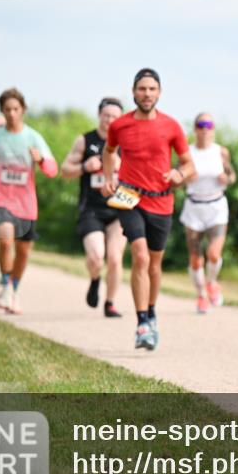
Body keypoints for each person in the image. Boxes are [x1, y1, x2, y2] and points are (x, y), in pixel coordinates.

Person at [102, 68, 193, 351]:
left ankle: (151, 312)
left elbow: (189, 164)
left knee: (154, 264)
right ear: (133, 92)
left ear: (159, 93)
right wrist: (108, 176)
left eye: (152, 89)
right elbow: (108, 151)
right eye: (142, 89)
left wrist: (179, 174)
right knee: (139, 256)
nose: (147, 94)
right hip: (129, 197)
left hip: (161, 201)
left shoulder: (171, 126)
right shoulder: (120, 126)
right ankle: (142, 322)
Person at [0, 88, 58, 314]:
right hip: (1, 199)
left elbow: (52, 170)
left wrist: (41, 160)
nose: (12, 113)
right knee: (5, 240)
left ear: (23, 110)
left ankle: (12, 289)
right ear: (2, 111)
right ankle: (6, 282)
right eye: (7, 110)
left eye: (16, 109)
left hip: (26, 204)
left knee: (23, 252)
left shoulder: (33, 137)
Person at [60, 97, 127, 318]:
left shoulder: (126, 143)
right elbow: (65, 170)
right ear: (99, 115)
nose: (110, 120)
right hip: (92, 210)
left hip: (119, 208)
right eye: (106, 115)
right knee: (97, 256)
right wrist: (84, 167)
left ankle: (110, 303)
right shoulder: (85, 141)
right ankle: (95, 278)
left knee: (115, 258)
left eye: (114, 116)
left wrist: (121, 169)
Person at [180, 112, 235, 313]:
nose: (205, 129)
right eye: (201, 125)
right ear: (195, 129)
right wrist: (186, 178)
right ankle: (201, 295)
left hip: (216, 206)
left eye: (209, 125)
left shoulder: (221, 152)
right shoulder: (187, 152)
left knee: (213, 253)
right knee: (196, 259)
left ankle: (212, 282)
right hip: (194, 207)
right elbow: (177, 178)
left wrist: (226, 179)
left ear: (213, 129)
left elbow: (232, 176)